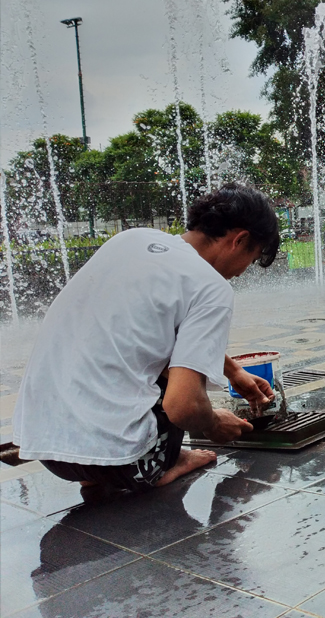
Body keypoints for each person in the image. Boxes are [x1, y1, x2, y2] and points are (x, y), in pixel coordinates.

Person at [13, 183, 281, 491]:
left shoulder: (131, 239)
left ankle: (105, 469)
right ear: (240, 240)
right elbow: (183, 406)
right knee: (185, 388)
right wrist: (214, 424)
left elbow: (145, 329)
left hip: (47, 448)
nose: (242, 271)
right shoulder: (212, 287)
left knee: (157, 359)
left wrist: (234, 372)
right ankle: (164, 465)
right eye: (253, 257)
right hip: (123, 462)